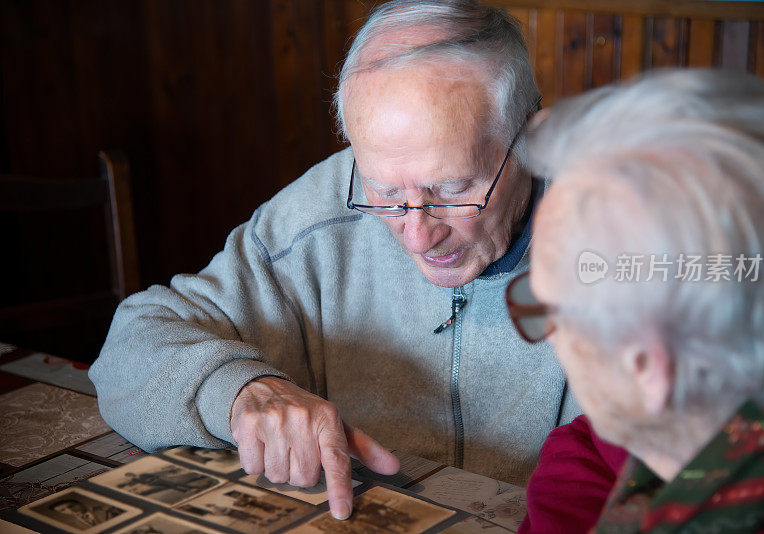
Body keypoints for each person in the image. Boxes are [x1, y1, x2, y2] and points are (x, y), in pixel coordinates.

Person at [89, 0, 579, 521]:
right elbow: (129, 349)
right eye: (385, 192)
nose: (417, 236)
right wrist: (241, 391)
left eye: (454, 189)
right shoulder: (326, 205)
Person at [509, 68, 764, 532]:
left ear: (648, 368)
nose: (548, 339)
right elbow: (588, 444)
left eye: (546, 311)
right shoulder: (725, 423)